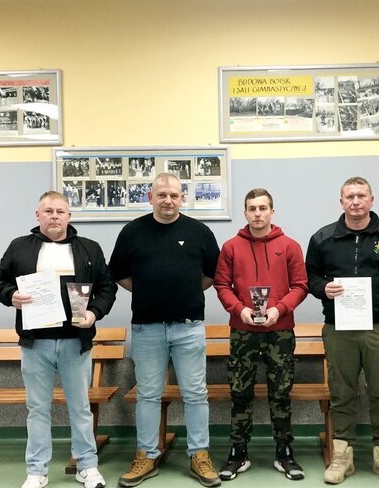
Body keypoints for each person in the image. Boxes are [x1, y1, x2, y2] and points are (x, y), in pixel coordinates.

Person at [0, 191, 117, 488]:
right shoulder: (20, 247)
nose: (55, 216)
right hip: (36, 343)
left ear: (69, 216)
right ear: (38, 215)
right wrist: (11, 296)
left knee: (80, 408)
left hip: (75, 342)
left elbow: (107, 288)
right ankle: (36, 471)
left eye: (60, 211)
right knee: (37, 409)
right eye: (48, 211)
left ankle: (87, 466)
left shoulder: (88, 248)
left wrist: (94, 313)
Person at [109, 173, 221, 488]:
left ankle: (199, 455)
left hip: (189, 326)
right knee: (147, 394)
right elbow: (119, 274)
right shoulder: (132, 232)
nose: (168, 200)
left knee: (196, 394)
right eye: (162, 195)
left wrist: (184, 291)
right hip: (147, 328)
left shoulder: (199, 232)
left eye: (174, 195)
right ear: (151, 198)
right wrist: (149, 290)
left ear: (182, 198)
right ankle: (146, 456)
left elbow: (212, 275)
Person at [305, 177, 379, 485]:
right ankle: (342, 457)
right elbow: (310, 277)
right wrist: (322, 288)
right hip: (339, 328)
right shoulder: (323, 238)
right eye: (350, 196)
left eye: (361, 196)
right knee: (342, 393)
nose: (355, 201)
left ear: (371, 200)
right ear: (341, 201)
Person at [213, 189, 308, 481]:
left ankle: (284, 452)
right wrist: (239, 309)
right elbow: (221, 285)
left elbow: (300, 286)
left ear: (272, 212)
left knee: (281, 392)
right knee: (240, 392)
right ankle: (238, 453)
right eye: (252, 208)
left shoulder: (289, 246)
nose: (257, 213)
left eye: (263, 208)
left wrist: (279, 309)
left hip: (280, 331)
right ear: (245, 213)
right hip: (243, 331)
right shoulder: (231, 247)